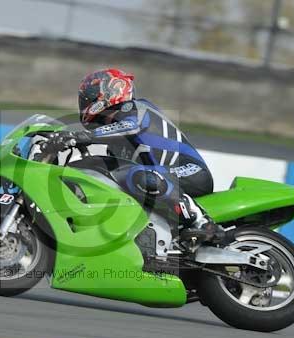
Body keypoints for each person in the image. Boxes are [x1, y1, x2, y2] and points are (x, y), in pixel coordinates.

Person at [77, 68, 219, 242]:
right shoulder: (114, 139)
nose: (85, 101)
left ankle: (202, 223)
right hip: (166, 175)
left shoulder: (135, 108)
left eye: (90, 94)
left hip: (191, 171)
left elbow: (131, 126)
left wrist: (82, 137)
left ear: (112, 89)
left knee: (141, 175)